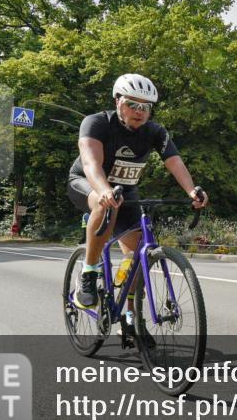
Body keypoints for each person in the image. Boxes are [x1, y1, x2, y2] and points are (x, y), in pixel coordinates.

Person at [66, 73, 209, 342]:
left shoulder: (155, 132)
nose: (139, 112)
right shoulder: (96, 123)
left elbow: (175, 162)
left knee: (137, 257)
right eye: (133, 104)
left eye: (146, 107)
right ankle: (89, 272)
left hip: (125, 191)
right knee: (101, 201)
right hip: (87, 183)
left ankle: (130, 318)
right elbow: (90, 165)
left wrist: (192, 190)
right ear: (117, 101)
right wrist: (104, 189)